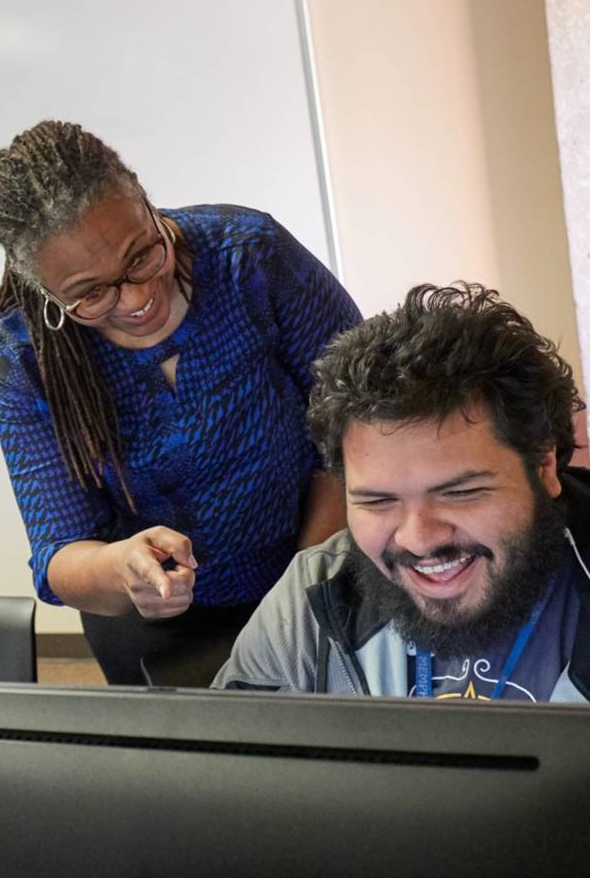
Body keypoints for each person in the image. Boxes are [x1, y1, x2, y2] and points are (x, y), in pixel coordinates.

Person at [0, 120, 361, 684]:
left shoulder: (247, 256)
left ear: (144, 197)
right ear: (43, 287)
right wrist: (123, 568)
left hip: (316, 569)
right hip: (158, 628)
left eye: (141, 255)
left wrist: (304, 585)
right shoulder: (23, 354)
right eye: (91, 294)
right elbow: (60, 553)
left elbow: (360, 419)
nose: (137, 298)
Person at [213, 283, 590, 701]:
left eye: (459, 493)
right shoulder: (311, 601)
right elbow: (220, 744)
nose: (419, 540)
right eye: (378, 501)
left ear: (543, 466)